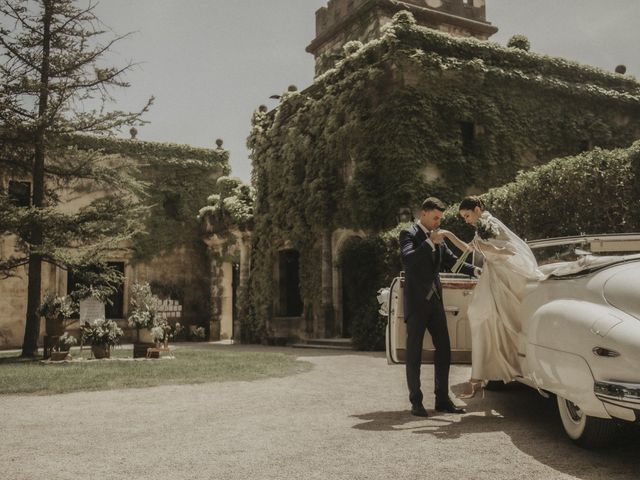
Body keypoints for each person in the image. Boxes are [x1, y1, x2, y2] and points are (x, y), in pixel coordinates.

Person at [442, 196, 544, 397]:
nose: (466, 220)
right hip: (492, 277)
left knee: (488, 317)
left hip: (503, 277)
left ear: (478, 209)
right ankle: (482, 374)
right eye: (464, 217)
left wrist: (490, 249)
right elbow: (471, 249)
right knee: (481, 317)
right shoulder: (481, 227)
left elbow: (511, 251)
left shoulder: (491, 223)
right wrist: (448, 235)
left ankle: (482, 376)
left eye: (467, 215)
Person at [399, 197, 479, 417]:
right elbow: (408, 260)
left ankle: (442, 400)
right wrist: (428, 243)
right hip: (416, 303)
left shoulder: (440, 237)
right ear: (423, 213)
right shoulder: (408, 234)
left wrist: (480, 272)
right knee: (413, 353)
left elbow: (454, 262)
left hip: (435, 303)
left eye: (440, 219)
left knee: (444, 350)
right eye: (435, 217)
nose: (437, 222)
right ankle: (416, 402)